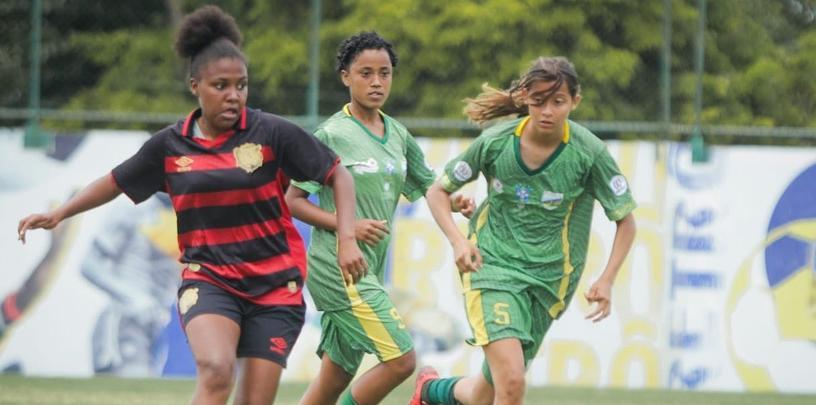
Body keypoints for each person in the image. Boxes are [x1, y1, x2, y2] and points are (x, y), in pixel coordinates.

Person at [17, 5, 365, 405]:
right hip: (210, 279)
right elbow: (114, 182)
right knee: (216, 371)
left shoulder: (272, 132)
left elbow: (338, 174)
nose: (234, 95)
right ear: (195, 85)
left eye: (242, 85)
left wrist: (347, 238)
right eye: (221, 85)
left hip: (276, 287)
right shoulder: (169, 145)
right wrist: (60, 213)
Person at [411, 56, 638, 405]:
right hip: (492, 268)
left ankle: (429, 392)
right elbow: (437, 190)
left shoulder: (589, 153)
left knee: (486, 393)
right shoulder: (496, 143)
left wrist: (607, 278)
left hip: (550, 283)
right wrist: (458, 241)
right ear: (524, 99)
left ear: (575, 101)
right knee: (513, 383)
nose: (548, 111)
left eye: (558, 102)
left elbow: (626, 220)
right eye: (538, 101)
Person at [285, 32, 474, 405]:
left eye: (384, 73)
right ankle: (423, 396)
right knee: (403, 361)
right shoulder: (331, 134)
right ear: (346, 77)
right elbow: (293, 201)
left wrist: (454, 202)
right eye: (365, 73)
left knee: (334, 376)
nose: (376, 82)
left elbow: (428, 186)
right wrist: (348, 227)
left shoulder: (398, 134)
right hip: (337, 267)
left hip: (368, 267)